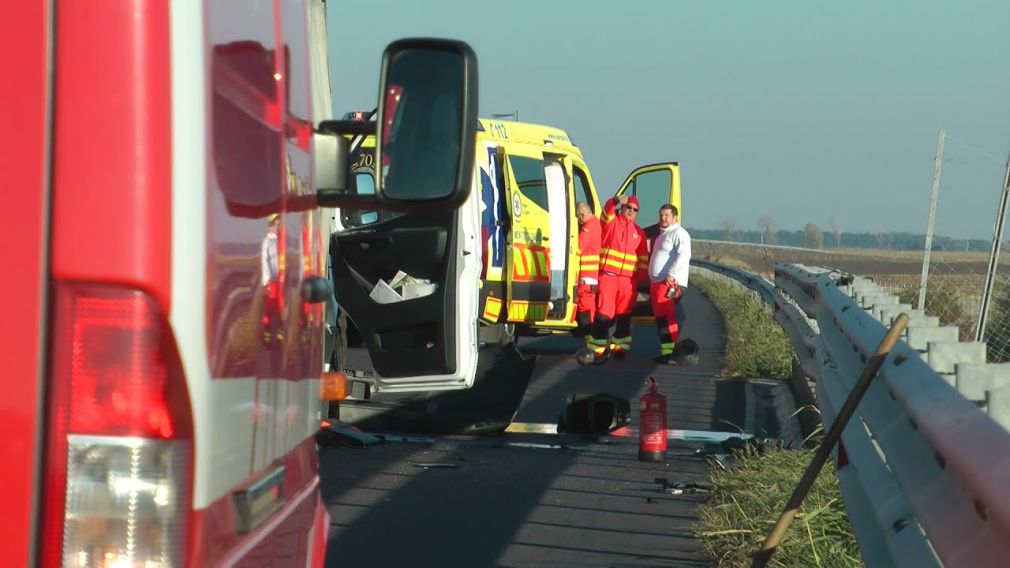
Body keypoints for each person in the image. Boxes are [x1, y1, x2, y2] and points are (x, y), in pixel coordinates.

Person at [583, 194, 648, 364]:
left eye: (635, 210)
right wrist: (615, 201)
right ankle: (596, 350)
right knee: (604, 314)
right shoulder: (611, 222)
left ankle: (619, 349)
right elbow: (606, 212)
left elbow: (643, 258)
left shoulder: (639, 233)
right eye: (629, 208)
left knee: (624, 317)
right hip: (608, 277)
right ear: (623, 208)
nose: (631, 211)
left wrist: (639, 279)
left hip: (628, 282)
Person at [648, 204, 692, 364]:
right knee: (662, 318)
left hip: (670, 283)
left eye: (666, 215)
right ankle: (668, 352)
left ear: (675, 217)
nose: (663, 218)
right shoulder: (663, 235)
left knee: (666, 318)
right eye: (661, 215)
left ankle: (671, 353)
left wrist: (672, 274)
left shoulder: (679, 233)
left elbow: (684, 255)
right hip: (658, 283)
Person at [573, 202, 601, 346]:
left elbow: (577, 247)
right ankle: (591, 341)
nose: (579, 220)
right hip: (592, 276)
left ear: (583, 214)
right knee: (591, 308)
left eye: (579, 217)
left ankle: (589, 340)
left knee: (585, 307)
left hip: (587, 276)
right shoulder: (596, 224)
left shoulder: (588, 228)